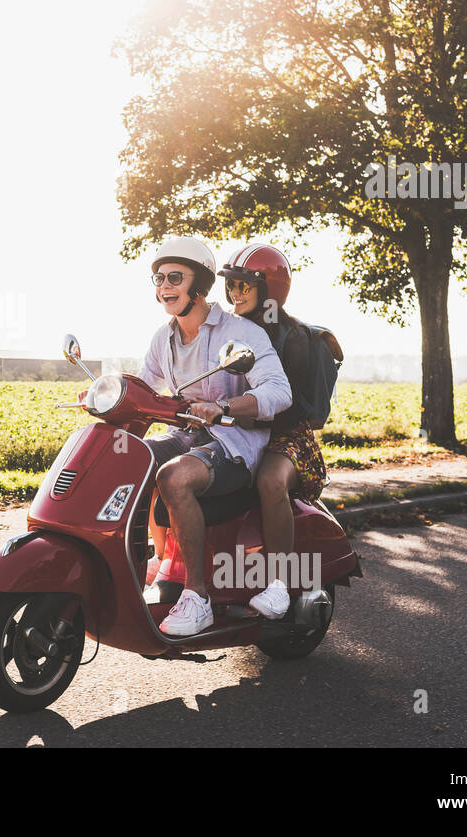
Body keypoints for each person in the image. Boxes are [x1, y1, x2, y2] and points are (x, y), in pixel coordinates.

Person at [137, 237, 292, 637]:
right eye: (159, 278)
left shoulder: (240, 333)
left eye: (174, 277)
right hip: (186, 436)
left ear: (200, 285)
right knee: (130, 461)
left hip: (233, 444)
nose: (164, 285)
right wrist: (108, 396)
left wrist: (225, 407)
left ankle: (197, 597)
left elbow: (279, 391)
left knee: (173, 477)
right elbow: (143, 386)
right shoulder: (163, 337)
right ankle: (152, 562)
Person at [218, 243, 329, 620]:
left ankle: (279, 585)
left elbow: (287, 403)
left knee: (268, 482)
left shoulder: (291, 336)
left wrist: (245, 414)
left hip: (287, 437)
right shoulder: (231, 328)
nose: (235, 293)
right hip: (238, 427)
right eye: (232, 285)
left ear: (270, 289)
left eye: (244, 286)